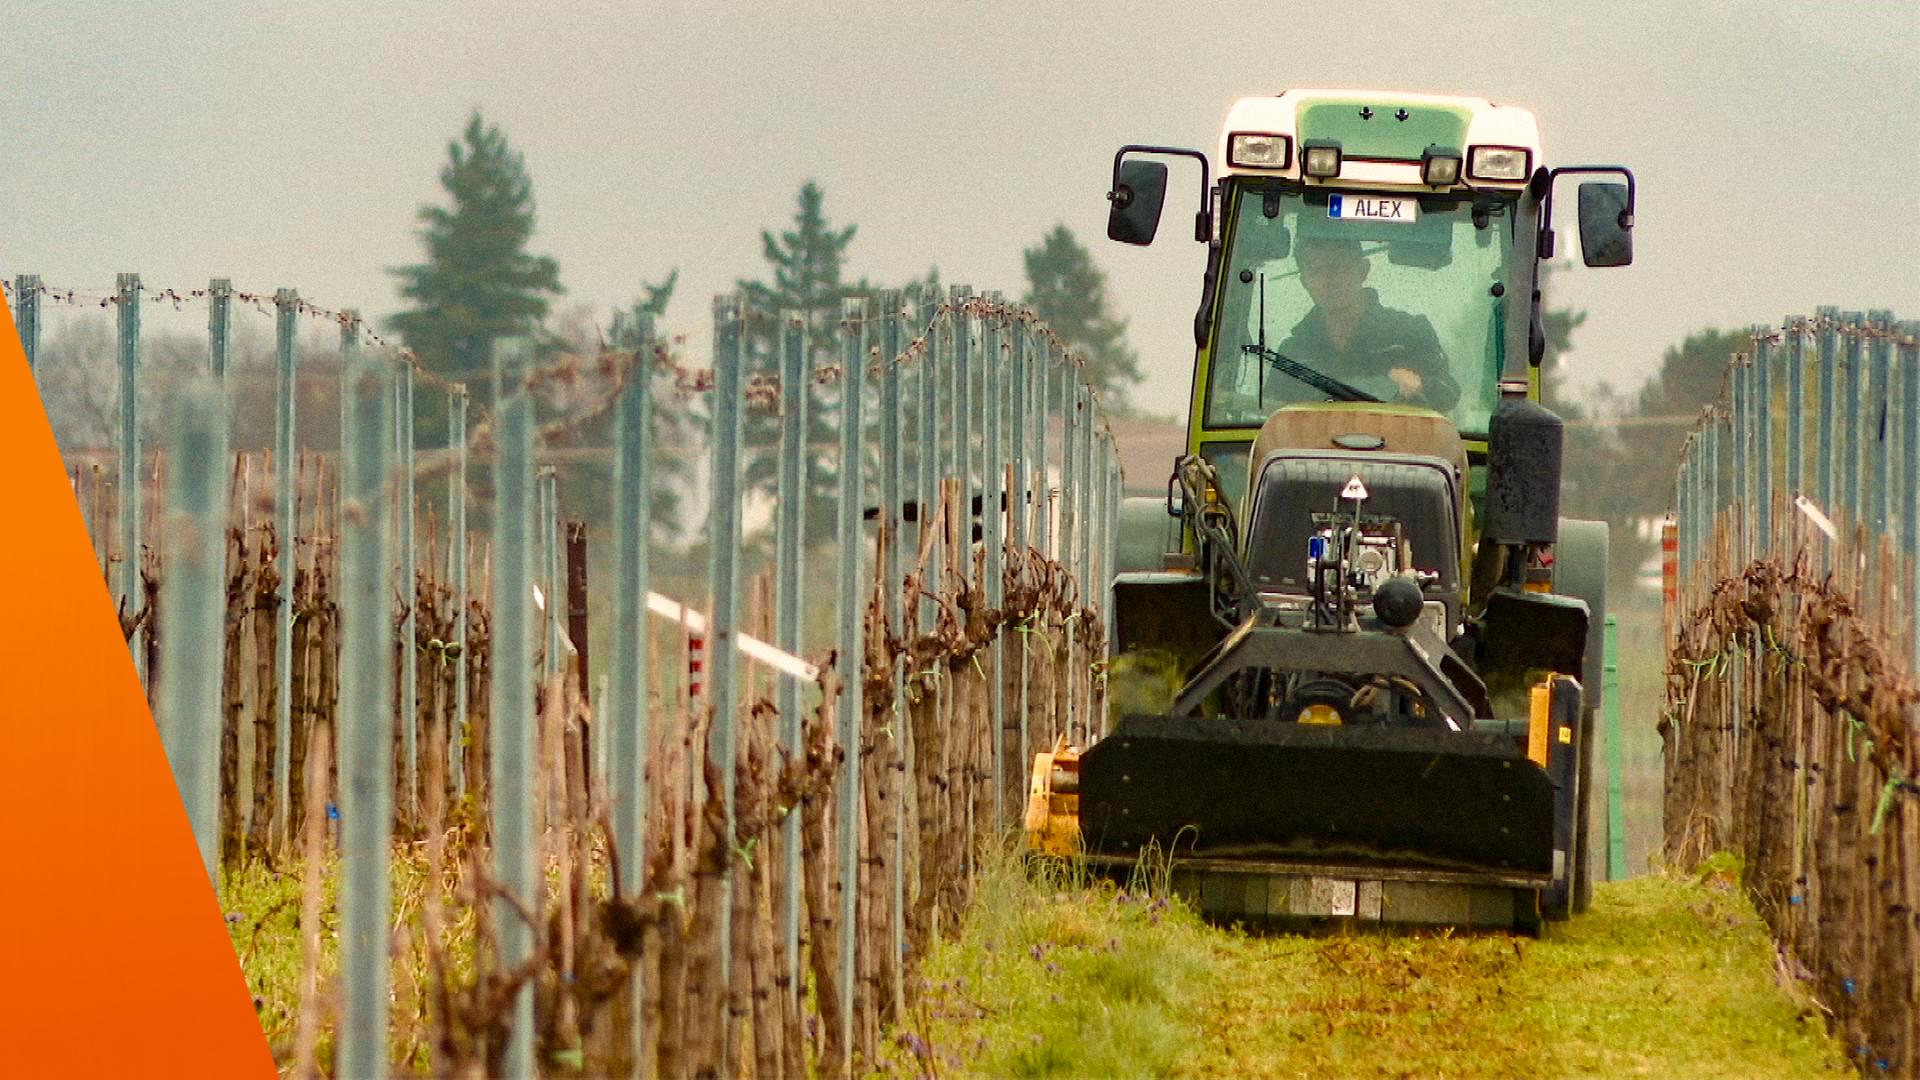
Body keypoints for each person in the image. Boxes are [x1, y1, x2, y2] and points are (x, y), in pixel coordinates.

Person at [1273, 236, 1460, 411]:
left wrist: (1419, 384)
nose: (1328, 280)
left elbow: (1450, 394)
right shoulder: (1293, 352)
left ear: (1363, 270)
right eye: (1315, 271)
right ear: (1304, 281)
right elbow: (1270, 414)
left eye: (1337, 267)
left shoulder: (1410, 333)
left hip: (1400, 445)